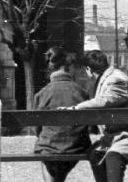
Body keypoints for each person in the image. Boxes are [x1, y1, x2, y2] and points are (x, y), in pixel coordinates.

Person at [75, 50, 128, 182]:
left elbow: (105, 101)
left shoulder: (116, 79)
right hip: (117, 133)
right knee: (95, 155)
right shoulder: (107, 77)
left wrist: (76, 107)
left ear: (88, 69)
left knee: (113, 156)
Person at [32, 47, 92, 182]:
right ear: (68, 67)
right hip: (76, 147)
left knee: (47, 155)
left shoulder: (42, 94)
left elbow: (36, 128)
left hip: (49, 148)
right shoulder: (81, 91)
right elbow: (88, 124)